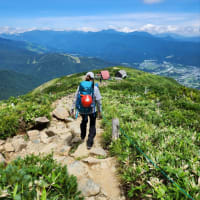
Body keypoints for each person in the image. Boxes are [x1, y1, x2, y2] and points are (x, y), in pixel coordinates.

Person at [71, 72, 102, 149]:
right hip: (92, 110)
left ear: (86, 78)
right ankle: (89, 142)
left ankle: (82, 136)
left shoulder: (80, 87)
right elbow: (98, 101)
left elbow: (75, 98)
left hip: (82, 110)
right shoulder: (95, 88)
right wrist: (99, 111)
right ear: (93, 79)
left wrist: (72, 108)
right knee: (92, 124)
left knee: (84, 122)